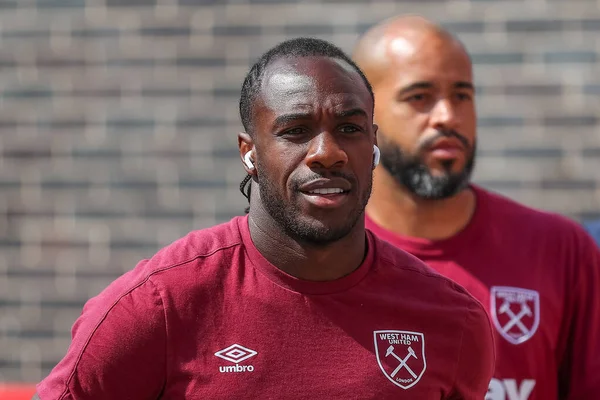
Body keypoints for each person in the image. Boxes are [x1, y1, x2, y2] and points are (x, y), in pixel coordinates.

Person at [32, 37, 494, 399]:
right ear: (249, 152)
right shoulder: (157, 306)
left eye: (349, 130)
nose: (327, 154)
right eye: (295, 131)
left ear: (372, 143)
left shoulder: (452, 320)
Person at [353, 15, 600, 400]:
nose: (448, 116)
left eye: (462, 95)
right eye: (419, 97)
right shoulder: (327, 257)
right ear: (363, 116)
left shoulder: (560, 249)